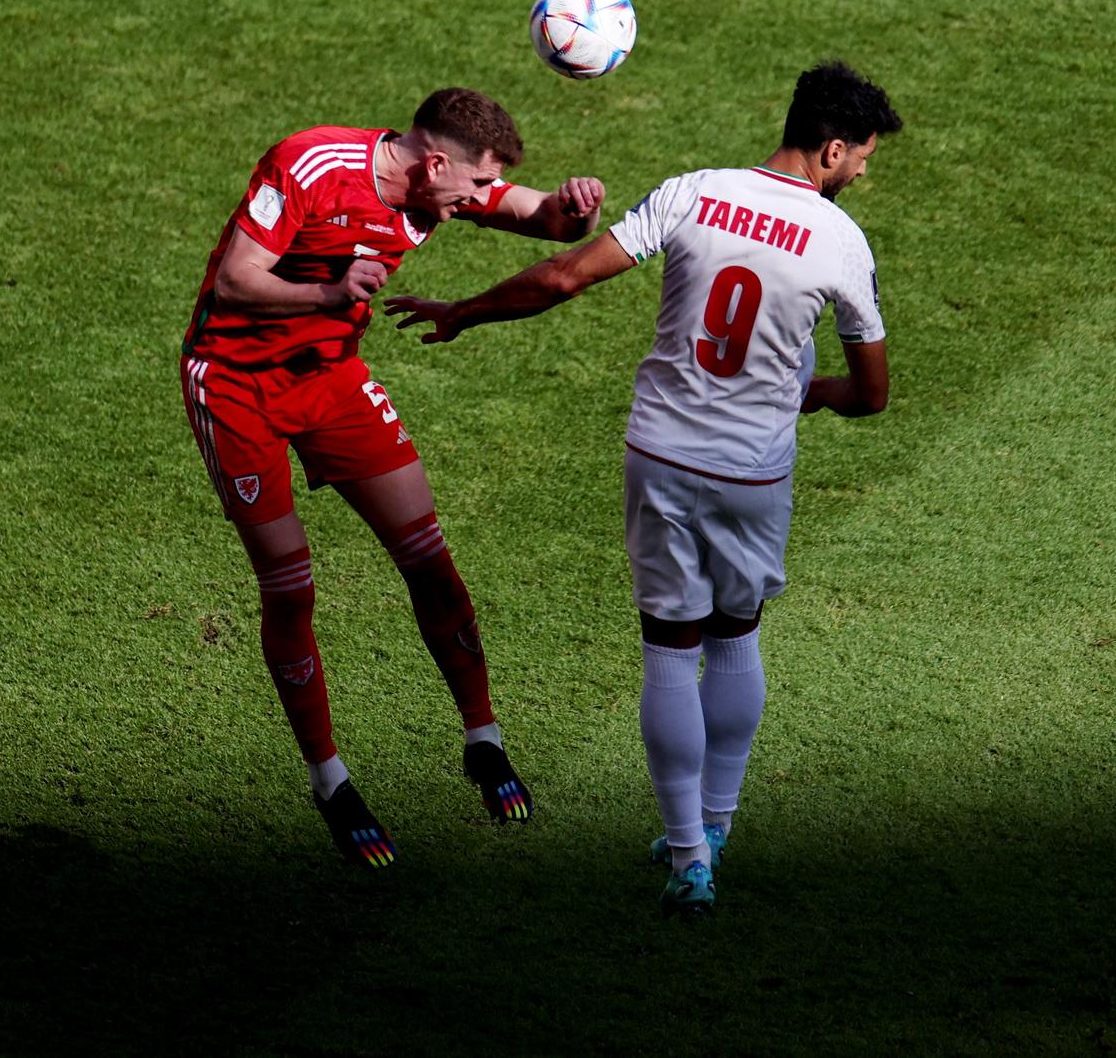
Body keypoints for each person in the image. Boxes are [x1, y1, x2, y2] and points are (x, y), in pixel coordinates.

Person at [383, 62, 900, 913]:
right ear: (832, 149)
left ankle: (688, 860)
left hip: (660, 456)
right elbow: (872, 394)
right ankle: (717, 824)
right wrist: (799, 394)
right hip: (752, 473)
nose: (863, 172)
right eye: (863, 158)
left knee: (668, 647)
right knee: (735, 637)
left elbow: (562, 278)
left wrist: (463, 311)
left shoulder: (695, 192)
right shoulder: (842, 243)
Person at [181, 87, 605, 866]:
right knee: (290, 586)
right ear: (435, 162)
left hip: (332, 379)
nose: (479, 203)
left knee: (429, 556)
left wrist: (577, 207)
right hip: (238, 388)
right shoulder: (309, 163)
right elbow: (238, 280)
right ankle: (330, 780)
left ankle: (483, 740)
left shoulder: (435, 185)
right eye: (476, 186)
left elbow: (542, 216)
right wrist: (329, 293)